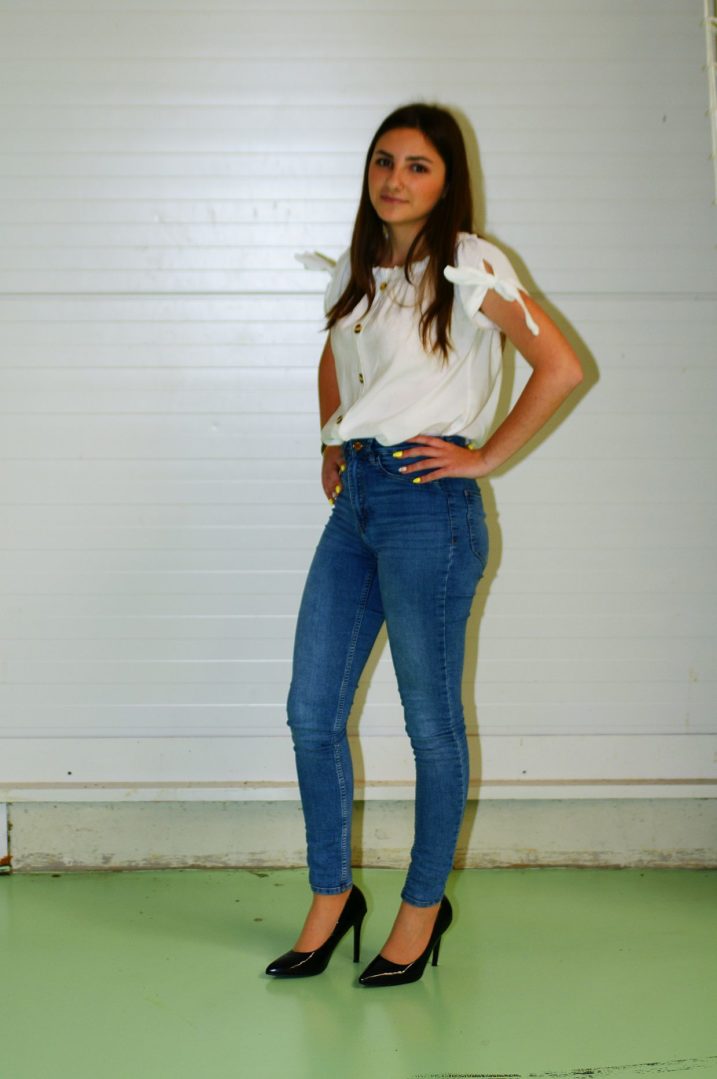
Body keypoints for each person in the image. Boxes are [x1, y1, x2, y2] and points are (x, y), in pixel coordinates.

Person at [265, 103, 583, 987]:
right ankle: (331, 897)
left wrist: (482, 456)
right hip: (357, 505)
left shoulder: (469, 263)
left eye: (416, 165)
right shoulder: (356, 271)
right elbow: (333, 358)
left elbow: (559, 366)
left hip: (428, 509)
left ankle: (419, 907)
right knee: (310, 712)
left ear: (446, 182)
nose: (394, 179)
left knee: (429, 725)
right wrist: (331, 439)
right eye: (383, 161)